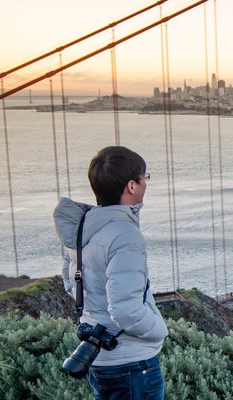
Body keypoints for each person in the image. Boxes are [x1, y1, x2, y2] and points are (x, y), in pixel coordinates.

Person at [54, 146, 168, 400]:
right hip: (131, 364)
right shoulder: (125, 235)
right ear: (131, 186)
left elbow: (71, 284)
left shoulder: (81, 228)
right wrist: (159, 329)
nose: (145, 184)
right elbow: (126, 311)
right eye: (144, 178)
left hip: (99, 358)